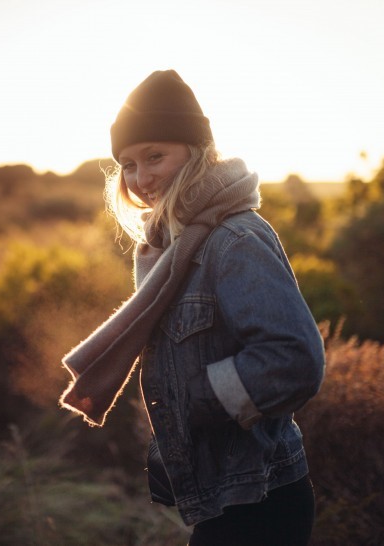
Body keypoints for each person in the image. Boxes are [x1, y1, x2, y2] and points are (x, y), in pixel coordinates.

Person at [60, 69, 325, 546]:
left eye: (154, 156)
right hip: (228, 496)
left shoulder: (234, 239)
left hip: (263, 501)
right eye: (128, 164)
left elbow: (294, 359)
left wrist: (196, 402)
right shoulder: (172, 247)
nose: (141, 178)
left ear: (197, 150)